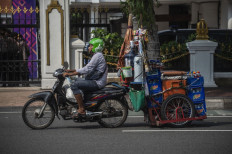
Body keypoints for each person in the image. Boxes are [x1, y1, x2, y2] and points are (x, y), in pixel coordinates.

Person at [63, 38, 108, 116]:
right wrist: (71, 70)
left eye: (91, 45)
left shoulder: (98, 56)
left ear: (97, 47)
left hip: (97, 82)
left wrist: (71, 74)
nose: (89, 47)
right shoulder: (97, 55)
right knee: (77, 80)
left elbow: (87, 69)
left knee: (74, 84)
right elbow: (87, 67)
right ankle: (84, 103)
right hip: (95, 80)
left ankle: (81, 108)